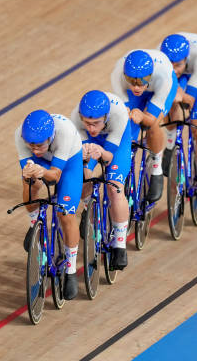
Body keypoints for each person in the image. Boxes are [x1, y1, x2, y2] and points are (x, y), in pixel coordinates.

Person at [14, 110, 84, 300]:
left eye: (40, 145)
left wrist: (42, 171)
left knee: (65, 214)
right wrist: (31, 173)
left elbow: (54, 176)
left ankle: (70, 270)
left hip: (68, 163)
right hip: (41, 164)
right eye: (31, 146)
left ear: (51, 137)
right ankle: (34, 222)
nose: (35, 150)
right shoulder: (19, 135)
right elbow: (31, 174)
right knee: (28, 183)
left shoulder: (64, 133)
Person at [70, 90, 131, 271]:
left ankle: (120, 244)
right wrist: (86, 158)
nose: (91, 128)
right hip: (90, 145)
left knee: (114, 188)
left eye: (96, 123)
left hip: (116, 146)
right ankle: (90, 207)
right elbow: (80, 158)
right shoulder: (75, 118)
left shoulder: (118, 114)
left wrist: (100, 152)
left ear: (106, 117)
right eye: (87, 123)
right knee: (81, 178)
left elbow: (109, 157)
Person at [159, 32, 197, 219]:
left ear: (186, 59)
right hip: (183, 76)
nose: (174, 69)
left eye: (178, 65)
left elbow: (190, 98)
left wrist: (180, 96)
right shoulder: (161, 60)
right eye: (171, 65)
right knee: (170, 102)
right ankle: (170, 144)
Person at [110, 49, 178, 203]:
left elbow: (150, 120)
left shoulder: (163, 77)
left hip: (159, 90)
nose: (136, 87)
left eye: (141, 82)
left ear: (150, 75)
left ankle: (156, 168)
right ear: (125, 75)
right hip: (136, 91)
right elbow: (126, 113)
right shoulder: (117, 76)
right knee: (127, 132)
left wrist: (143, 116)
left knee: (152, 126)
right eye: (132, 81)